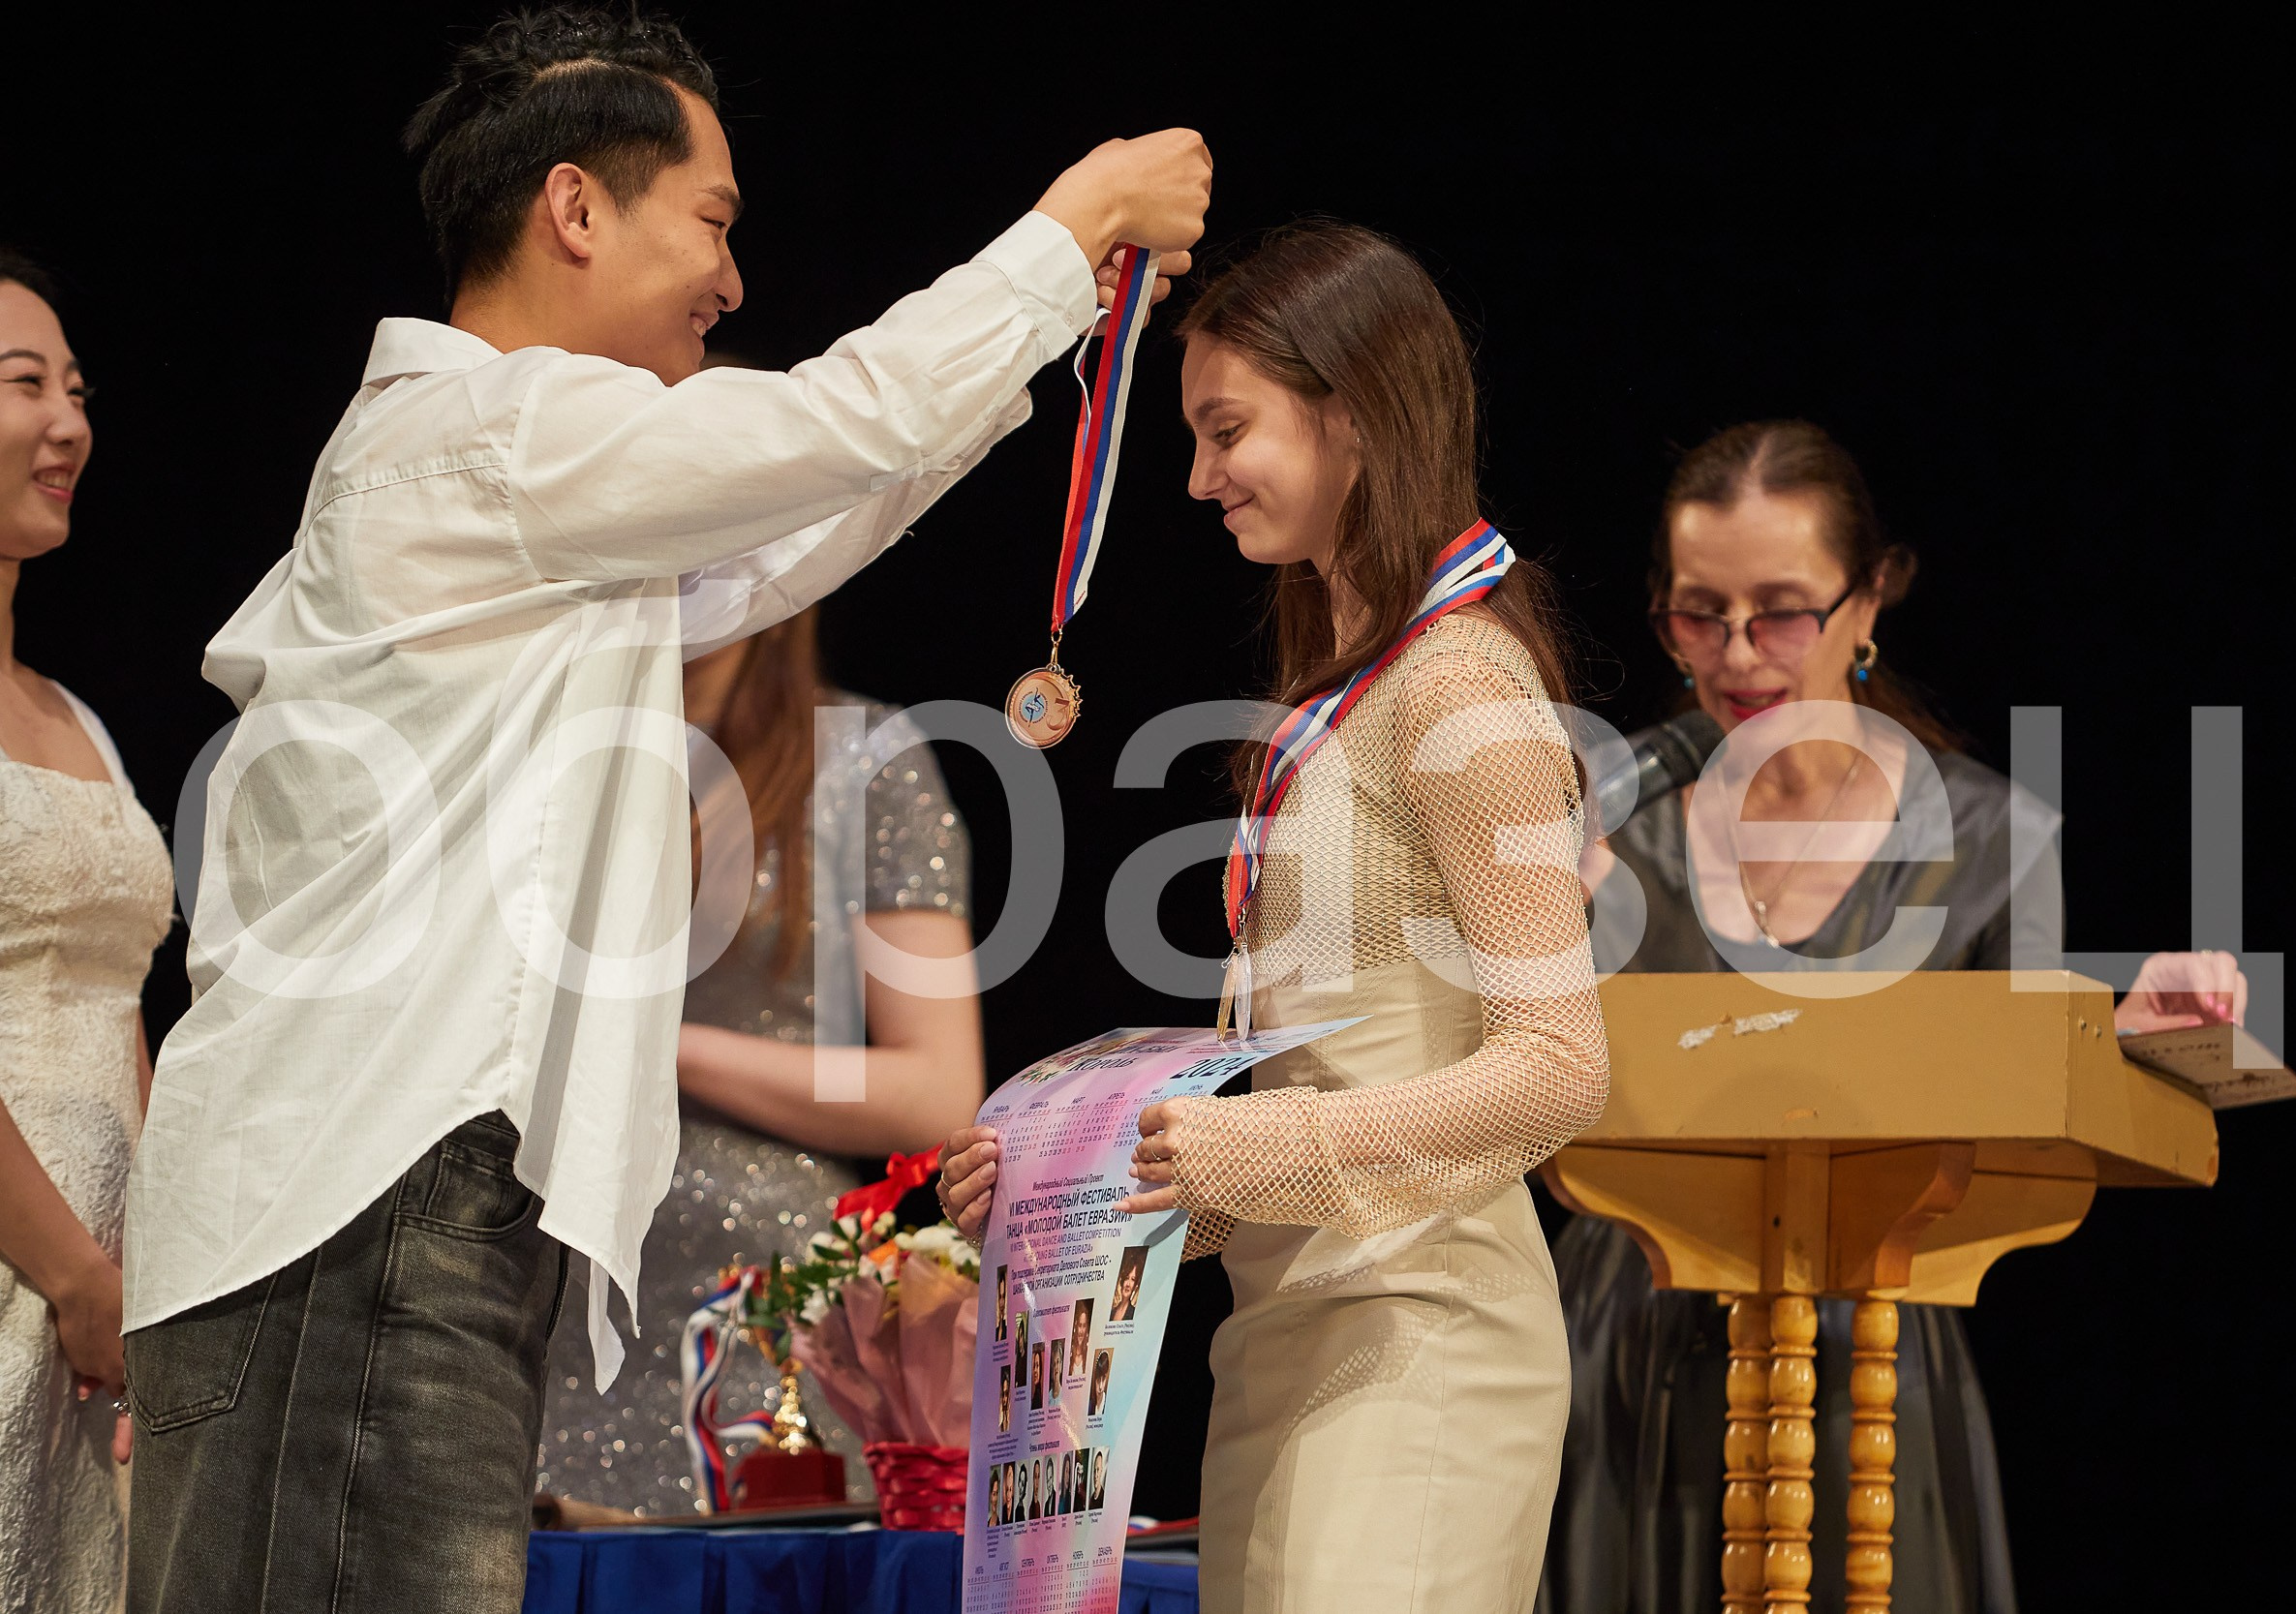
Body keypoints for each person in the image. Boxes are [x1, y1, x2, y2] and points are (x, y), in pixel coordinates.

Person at [116, 8, 1210, 1611]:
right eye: (711, 221)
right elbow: (836, 423)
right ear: (574, 208)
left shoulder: (524, 475)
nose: (735, 278)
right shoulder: (495, 434)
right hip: (348, 1213)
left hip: (384, 1204)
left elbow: (788, 522)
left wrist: (1048, 324)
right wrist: (1071, 229)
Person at [943, 220, 1608, 1612]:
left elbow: (1558, 1068)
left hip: (1422, 1344)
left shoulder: (1464, 687)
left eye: (1225, 429)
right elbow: (1312, 1099)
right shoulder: (1345, 694)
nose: (1197, 479)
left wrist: (1253, 1138)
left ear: (1352, 411)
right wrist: (1083, 1186)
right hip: (1284, 1346)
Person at [1537, 419, 2252, 1614]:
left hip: (1872, 1358)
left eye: (1780, 610)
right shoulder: (1606, 812)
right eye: (1697, 612)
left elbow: (2012, 1117)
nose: (1736, 653)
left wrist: (2115, 1038)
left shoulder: (1988, 838)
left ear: (1870, 600)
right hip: (1631, 1345)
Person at [536, 603, 984, 1512]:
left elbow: (937, 1087)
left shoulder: (861, 761)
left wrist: (660, 1048)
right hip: (541, 1278)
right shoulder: (537, 752)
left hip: (754, 1305)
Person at [0, 249, 174, 1614]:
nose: (68, 422)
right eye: (22, 385)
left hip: (107, 1305)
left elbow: (118, 997)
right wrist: (67, 1269)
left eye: (75, 387)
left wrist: (153, 1263)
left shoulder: (75, 716)